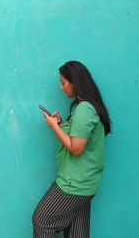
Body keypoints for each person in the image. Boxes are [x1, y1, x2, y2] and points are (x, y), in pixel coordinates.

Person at [32, 60, 111, 238]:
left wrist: (54, 127)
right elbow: (79, 135)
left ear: (75, 83)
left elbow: (76, 148)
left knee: (42, 221)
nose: (61, 87)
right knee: (77, 233)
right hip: (85, 184)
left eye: (63, 82)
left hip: (74, 184)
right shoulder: (83, 107)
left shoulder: (84, 110)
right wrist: (61, 124)